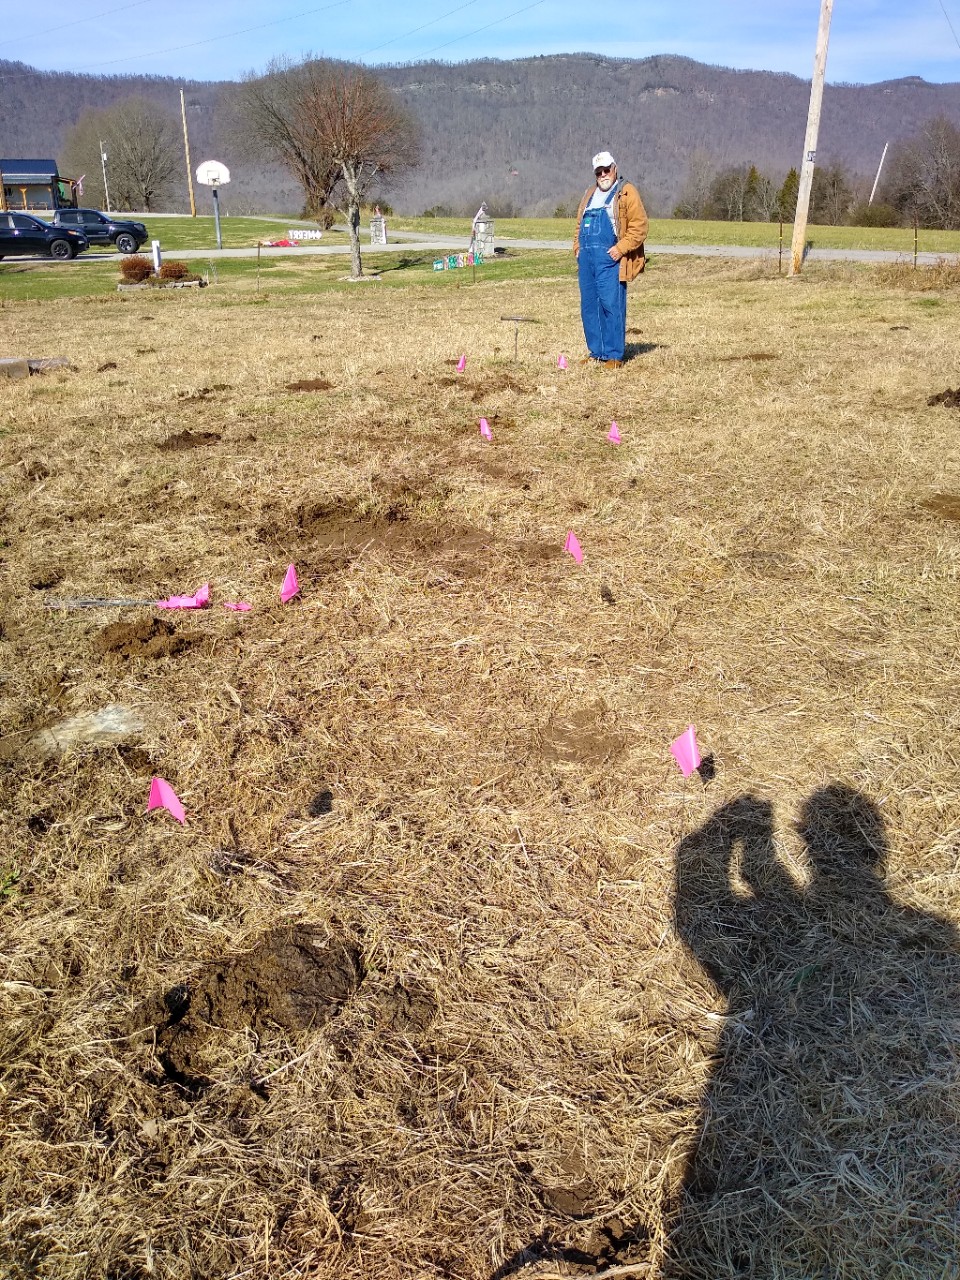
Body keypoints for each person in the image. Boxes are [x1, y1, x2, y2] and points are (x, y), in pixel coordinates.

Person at [573, 151, 648, 367]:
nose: (604, 174)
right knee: (589, 306)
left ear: (615, 168)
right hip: (587, 259)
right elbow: (579, 225)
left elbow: (640, 226)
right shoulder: (589, 194)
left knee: (610, 304)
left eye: (607, 170)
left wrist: (621, 248)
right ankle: (596, 352)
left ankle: (614, 355)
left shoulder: (626, 192)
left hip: (611, 258)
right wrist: (577, 248)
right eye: (599, 172)